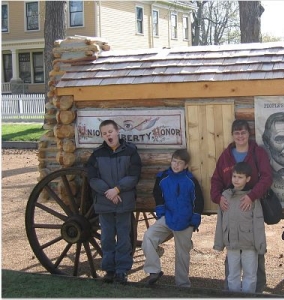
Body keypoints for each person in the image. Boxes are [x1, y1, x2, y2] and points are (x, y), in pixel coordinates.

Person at [210, 119, 272, 293]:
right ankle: (231, 290)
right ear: (233, 135)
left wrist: (252, 196)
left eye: (243, 132)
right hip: (231, 204)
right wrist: (218, 198)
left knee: (254, 247)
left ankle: (256, 290)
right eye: (237, 133)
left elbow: (267, 177)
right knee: (232, 249)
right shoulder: (227, 155)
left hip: (252, 203)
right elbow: (216, 179)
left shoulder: (257, 153)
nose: (240, 136)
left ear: (248, 134)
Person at [86, 119, 142, 284]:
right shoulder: (97, 154)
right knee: (107, 238)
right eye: (104, 133)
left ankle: (122, 271)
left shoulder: (131, 152)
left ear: (117, 131)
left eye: (110, 131)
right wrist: (108, 192)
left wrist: (117, 190)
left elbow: (134, 175)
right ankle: (109, 270)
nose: (108, 135)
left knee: (124, 238)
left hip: (123, 201)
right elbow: (93, 178)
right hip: (105, 202)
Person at [142, 149, 204, 287]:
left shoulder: (191, 181)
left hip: (185, 221)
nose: (176, 165)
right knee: (148, 237)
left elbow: (198, 201)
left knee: (182, 254)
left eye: (180, 163)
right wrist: (161, 213)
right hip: (168, 217)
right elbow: (158, 196)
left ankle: (182, 285)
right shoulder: (162, 177)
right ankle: (154, 270)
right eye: (174, 161)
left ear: (185, 165)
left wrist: (194, 221)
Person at [213, 162, 266, 293]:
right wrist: (219, 243)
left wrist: (260, 245)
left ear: (248, 179)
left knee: (250, 275)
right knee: (232, 275)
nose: (236, 180)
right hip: (232, 243)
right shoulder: (225, 196)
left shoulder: (252, 198)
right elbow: (220, 220)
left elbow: (258, 223)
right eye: (234, 176)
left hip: (249, 244)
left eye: (240, 177)